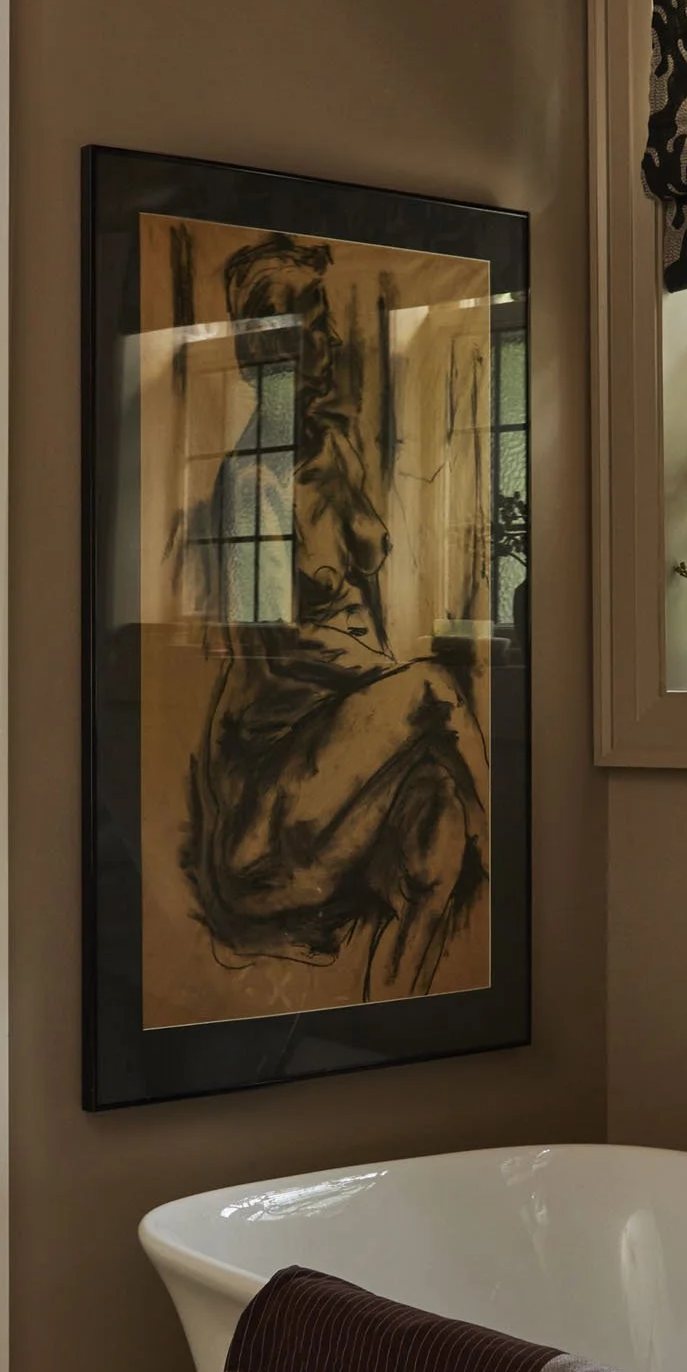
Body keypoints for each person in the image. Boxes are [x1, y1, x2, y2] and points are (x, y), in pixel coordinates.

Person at [181, 232, 490, 1001]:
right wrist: (391, 690)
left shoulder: (337, 450)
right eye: (304, 320)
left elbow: (361, 584)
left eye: (322, 318)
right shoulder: (252, 481)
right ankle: (531, 854)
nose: (324, 337)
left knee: (439, 831)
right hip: (276, 767)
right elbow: (277, 654)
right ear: (260, 348)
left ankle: (402, 1038)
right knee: (430, 689)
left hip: (350, 737)